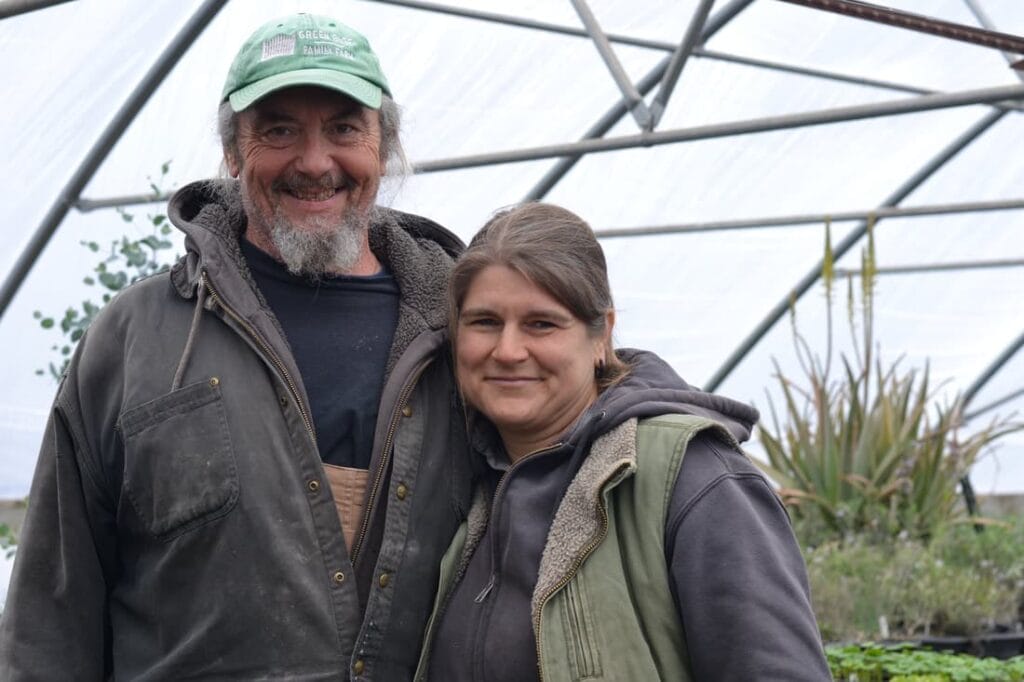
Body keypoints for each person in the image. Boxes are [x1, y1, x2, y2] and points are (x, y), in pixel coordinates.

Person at [0, 13, 472, 681]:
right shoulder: (137, 338)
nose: (314, 162)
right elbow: (51, 615)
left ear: (385, 147)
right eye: (278, 130)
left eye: (344, 128)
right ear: (231, 154)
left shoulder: (467, 331)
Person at [415, 203, 832, 681]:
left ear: (601, 336)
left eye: (542, 324)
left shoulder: (692, 477)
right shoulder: (462, 478)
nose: (508, 351)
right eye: (485, 322)